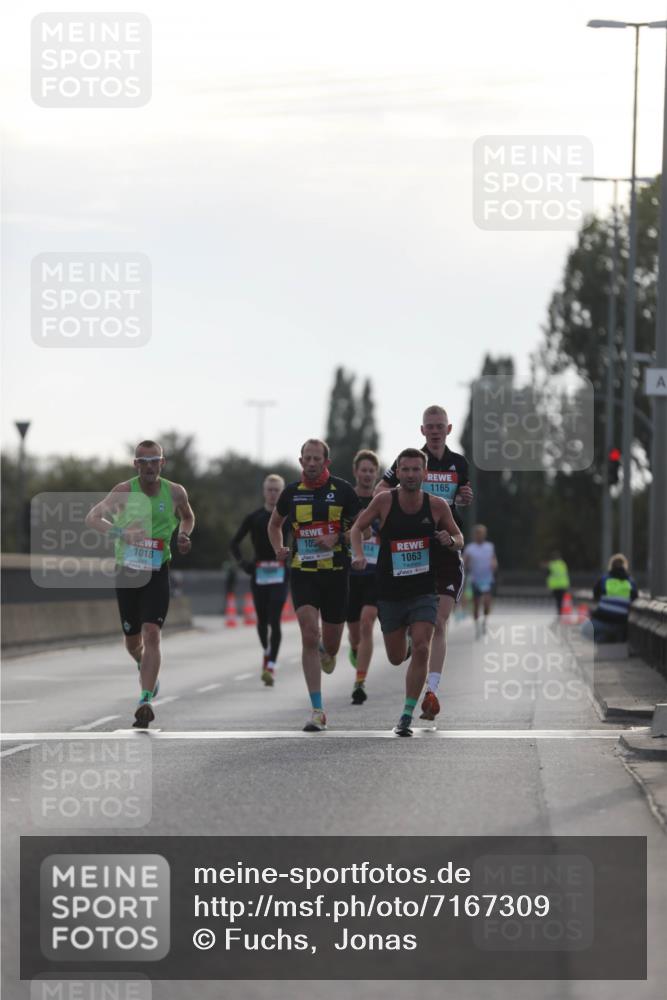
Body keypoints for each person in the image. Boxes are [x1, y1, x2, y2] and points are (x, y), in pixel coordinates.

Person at [352, 449, 464, 736]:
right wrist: (358, 554)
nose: (411, 475)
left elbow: (459, 538)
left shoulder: (437, 505)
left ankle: (406, 714)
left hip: (423, 588)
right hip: (390, 590)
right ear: (398, 473)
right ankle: (408, 645)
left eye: (416, 470)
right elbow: (357, 529)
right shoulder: (384, 501)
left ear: (425, 473)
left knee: (424, 645)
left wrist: (449, 540)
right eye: (406, 470)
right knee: (395, 656)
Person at [85, 440, 194, 728]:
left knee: (152, 633)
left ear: (162, 463)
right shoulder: (123, 491)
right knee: (133, 642)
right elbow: (93, 518)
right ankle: (140, 662)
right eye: (143, 461)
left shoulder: (175, 492)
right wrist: (121, 533)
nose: (149, 466)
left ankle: (145, 699)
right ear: (135, 464)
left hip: (157, 570)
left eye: (154, 460)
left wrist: (183, 535)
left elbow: (188, 517)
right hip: (128, 572)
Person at [376, 404, 472, 721]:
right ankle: (408, 639)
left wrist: (463, 499)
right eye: (429, 426)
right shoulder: (411, 462)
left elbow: (461, 498)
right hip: (412, 550)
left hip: (445, 549)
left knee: (438, 624)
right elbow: (380, 489)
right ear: (422, 430)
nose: (434, 431)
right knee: (412, 637)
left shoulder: (459, 463)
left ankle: (431, 692)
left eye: (439, 426)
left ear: (448, 429)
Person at [268, 439, 361, 732]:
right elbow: (274, 524)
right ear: (300, 461)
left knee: (330, 645)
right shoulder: (292, 493)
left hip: (336, 574)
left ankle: (326, 648)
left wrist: (339, 537)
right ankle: (317, 710)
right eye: (306, 458)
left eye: (316, 458)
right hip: (303, 572)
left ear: (326, 462)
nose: (311, 463)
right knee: (308, 634)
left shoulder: (343, 491)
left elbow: (364, 528)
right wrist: (279, 547)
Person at [230, 474, 289, 686]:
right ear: (264, 492)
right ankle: (266, 650)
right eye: (270, 490)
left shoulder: (288, 517)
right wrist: (243, 564)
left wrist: (292, 558)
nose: (273, 494)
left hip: (280, 574)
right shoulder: (254, 517)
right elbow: (234, 543)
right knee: (262, 621)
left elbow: (300, 539)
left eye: (277, 490)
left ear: (282, 493)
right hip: (259, 573)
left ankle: (271, 665)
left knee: (275, 618)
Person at [346, 450, 381, 705]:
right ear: (355, 472)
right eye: (363, 470)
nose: (367, 474)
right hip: (350, 573)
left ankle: (360, 681)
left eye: (371, 470)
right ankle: (355, 647)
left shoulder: (384, 499)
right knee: (354, 633)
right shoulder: (346, 498)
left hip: (375, 573)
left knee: (368, 622)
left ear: (376, 474)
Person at [582, 553, 638, 644]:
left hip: (602, 619)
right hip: (620, 623)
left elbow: (595, 595)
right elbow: (635, 597)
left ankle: (603, 642)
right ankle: (609, 639)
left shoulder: (605, 579)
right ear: (625, 566)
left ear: (611, 565)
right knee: (609, 633)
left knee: (584, 631)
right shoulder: (630, 581)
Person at [463, 524, 498, 638]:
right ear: (474, 535)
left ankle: (485, 621)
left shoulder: (490, 546)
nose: (479, 535)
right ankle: (477, 624)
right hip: (475, 579)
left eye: (482, 533)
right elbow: (464, 562)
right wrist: (465, 566)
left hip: (487, 579)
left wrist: (494, 564)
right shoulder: (470, 548)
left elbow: (493, 559)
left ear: (485, 534)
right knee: (476, 604)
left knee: (487, 602)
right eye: (477, 533)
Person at [542, 551, 570, 617]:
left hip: (555, 586)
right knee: (562, 601)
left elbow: (546, 574)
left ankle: (559, 614)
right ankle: (562, 613)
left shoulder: (551, 565)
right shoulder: (563, 564)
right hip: (563, 585)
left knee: (558, 601)